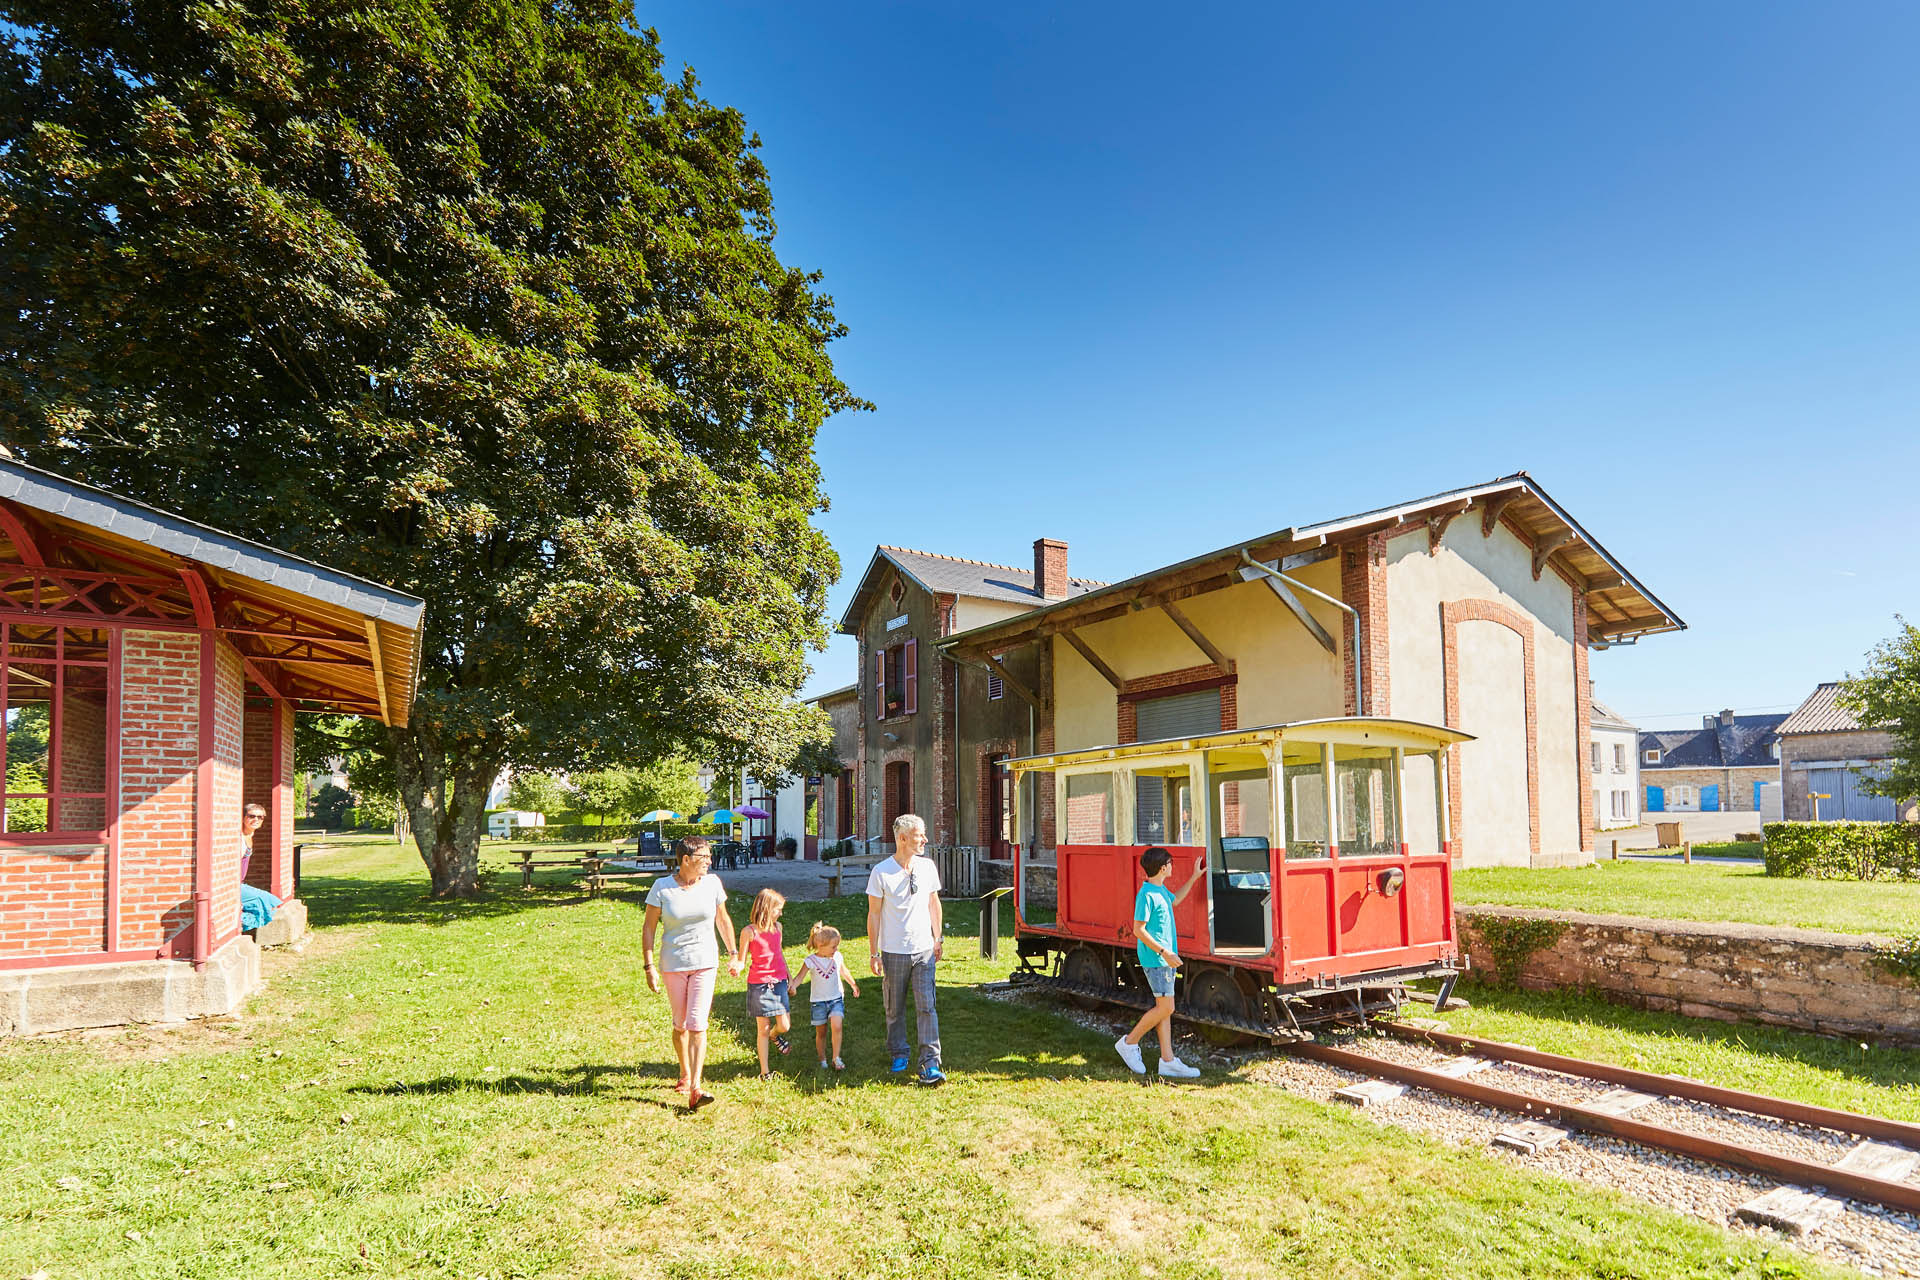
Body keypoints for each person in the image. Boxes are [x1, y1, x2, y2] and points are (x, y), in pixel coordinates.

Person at [642, 836, 740, 1111]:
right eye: (704, 857)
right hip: (673, 964)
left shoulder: (712, 884)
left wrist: (733, 953)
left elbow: (723, 918)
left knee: (698, 1023)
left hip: (705, 961)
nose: (709, 861)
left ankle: (696, 1087)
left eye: (710, 857)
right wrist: (649, 966)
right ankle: (685, 1072)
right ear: (685, 860)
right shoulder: (662, 888)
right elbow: (649, 928)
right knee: (681, 1024)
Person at [866, 813, 945, 1086]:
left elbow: (934, 903)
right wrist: (874, 953)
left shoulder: (928, 867)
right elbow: (874, 914)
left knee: (927, 1006)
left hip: (924, 950)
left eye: (923, 834)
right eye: (918, 835)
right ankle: (899, 1052)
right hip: (893, 951)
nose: (924, 839)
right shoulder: (881, 872)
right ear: (902, 838)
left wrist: (938, 938)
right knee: (894, 1007)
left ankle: (931, 1062)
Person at [1115, 846, 1207, 1080]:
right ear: (1163, 868)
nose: (1172, 866)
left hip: (1163, 957)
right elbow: (1138, 930)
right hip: (1156, 958)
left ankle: (1167, 1061)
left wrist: (1195, 877)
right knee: (1167, 1007)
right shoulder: (1146, 895)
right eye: (1170, 863)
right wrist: (1164, 952)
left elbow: (1176, 901)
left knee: (1163, 1009)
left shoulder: (1160, 890)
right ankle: (1129, 1042)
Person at [792, 922, 860, 1070]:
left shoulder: (837, 957)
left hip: (836, 998)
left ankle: (836, 1058)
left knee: (837, 1025)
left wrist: (853, 984)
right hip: (818, 1002)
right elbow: (799, 977)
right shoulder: (810, 961)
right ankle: (822, 1059)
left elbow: (844, 971)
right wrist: (792, 986)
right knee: (821, 1032)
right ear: (821, 945)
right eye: (833, 946)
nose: (836, 949)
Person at [740, 888, 793, 1079]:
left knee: (784, 1025)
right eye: (778, 909)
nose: (781, 913)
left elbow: (779, 954)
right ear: (767, 909)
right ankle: (765, 1072)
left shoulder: (778, 928)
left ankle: (775, 1035)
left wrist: (790, 978)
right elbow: (741, 960)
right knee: (762, 1028)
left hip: (779, 981)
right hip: (759, 984)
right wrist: (736, 966)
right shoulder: (749, 932)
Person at [237, 803, 281, 931]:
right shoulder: (239, 838)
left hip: (241, 883)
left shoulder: (249, 836)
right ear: (243, 817)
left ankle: (241, 925)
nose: (256, 820)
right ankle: (236, 924)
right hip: (235, 885)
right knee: (264, 902)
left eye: (260, 817)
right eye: (251, 816)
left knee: (273, 903)